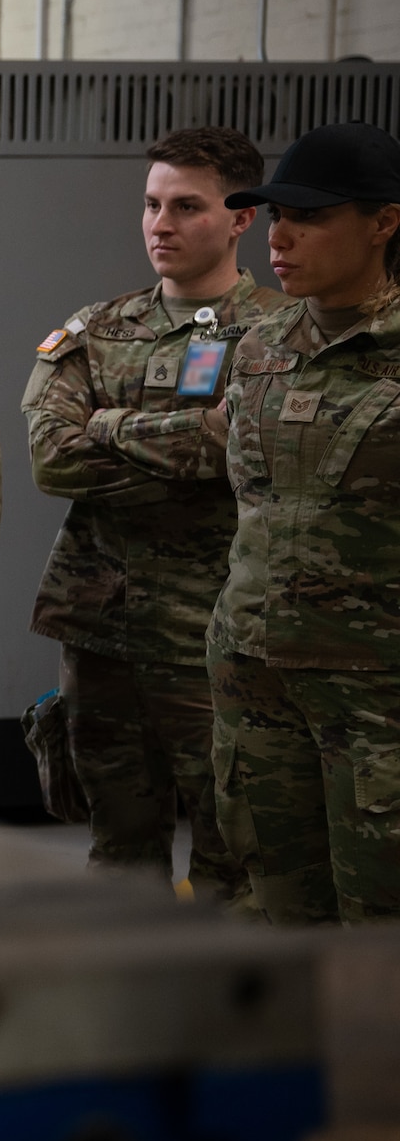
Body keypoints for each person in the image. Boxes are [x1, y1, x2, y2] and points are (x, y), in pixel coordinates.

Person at [22, 127, 288, 899]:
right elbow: (51, 457)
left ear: (243, 218)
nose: (159, 224)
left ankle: (219, 1012)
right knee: (117, 848)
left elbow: (242, 447)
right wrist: (185, 451)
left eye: (186, 206)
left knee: (231, 851)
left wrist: (107, 424)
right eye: (150, 204)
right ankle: (119, 1008)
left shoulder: (277, 333)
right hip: (101, 630)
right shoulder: (98, 329)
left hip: (220, 633)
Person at [207, 121, 400, 925]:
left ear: (385, 221)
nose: (278, 238)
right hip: (257, 681)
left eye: (309, 218)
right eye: (274, 215)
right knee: (275, 923)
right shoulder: (260, 346)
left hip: (375, 701)